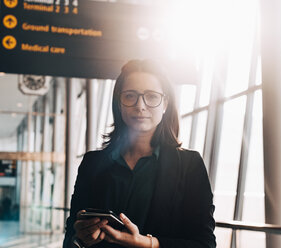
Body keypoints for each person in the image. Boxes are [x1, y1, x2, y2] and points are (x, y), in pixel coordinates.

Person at [63, 59, 216, 248]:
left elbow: (205, 244)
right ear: (119, 103)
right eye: (130, 96)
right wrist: (81, 237)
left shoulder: (189, 165)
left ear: (165, 104)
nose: (140, 106)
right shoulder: (92, 163)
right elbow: (71, 237)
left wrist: (146, 243)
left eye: (152, 97)